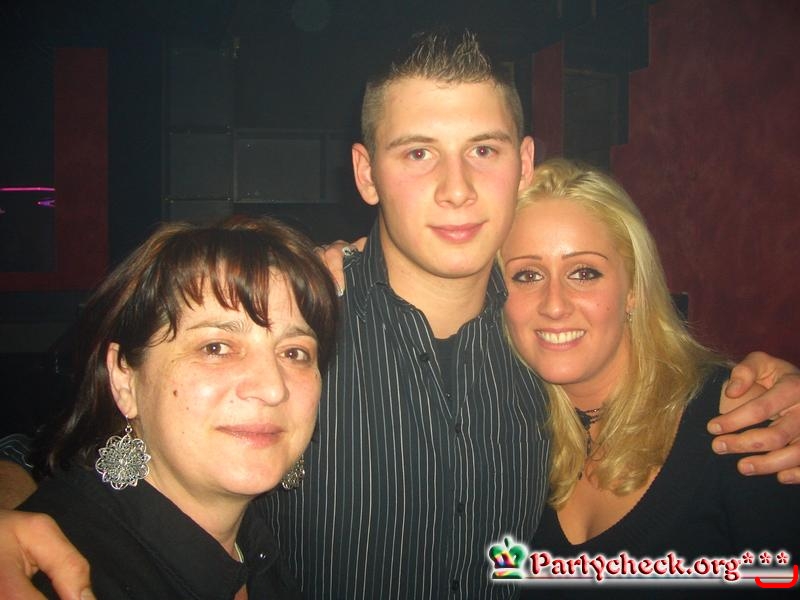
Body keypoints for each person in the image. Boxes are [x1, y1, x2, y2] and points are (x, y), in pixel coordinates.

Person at [2, 29, 800, 600]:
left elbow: (670, 396)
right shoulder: (298, 325)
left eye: (484, 149)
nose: (456, 188)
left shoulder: (548, 338)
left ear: (523, 165)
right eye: (418, 152)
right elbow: (79, 443)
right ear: (366, 173)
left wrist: (768, 393)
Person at [500, 159, 799, 593]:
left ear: (634, 290)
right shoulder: (505, 430)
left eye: (584, 273)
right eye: (527, 275)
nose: (554, 304)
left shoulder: (737, 422)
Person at [16, 216, 339, 598]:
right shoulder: (61, 574)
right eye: (216, 348)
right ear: (124, 378)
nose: (272, 388)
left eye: (294, 352)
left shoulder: (259, 545)